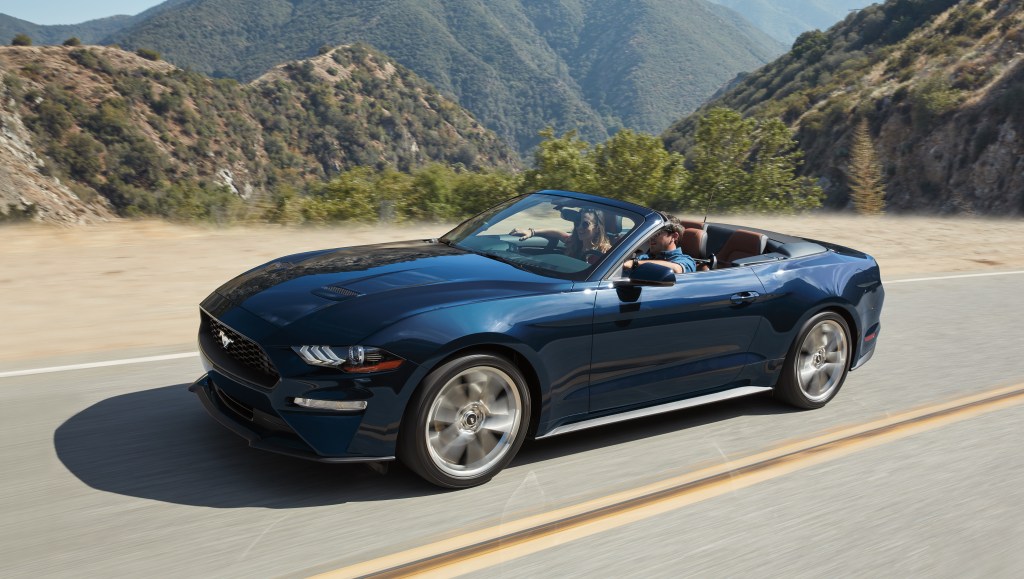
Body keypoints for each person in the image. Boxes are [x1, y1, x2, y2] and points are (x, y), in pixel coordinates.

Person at [510, 207, 612, 262]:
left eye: (585, 224)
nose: (579, 227)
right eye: (577, 222)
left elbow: (622, 264)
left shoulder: (605, 251)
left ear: (597, 228)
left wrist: (627, 264)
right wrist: (532, 232)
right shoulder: (574, 242)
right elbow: (557, 233)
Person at [623, 221, 696, 274]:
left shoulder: (687, 260)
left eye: (657, 234)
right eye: (650, 234)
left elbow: (677, 269)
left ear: (674, 236)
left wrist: (635, 263)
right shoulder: (643, 258)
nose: (651, 238)